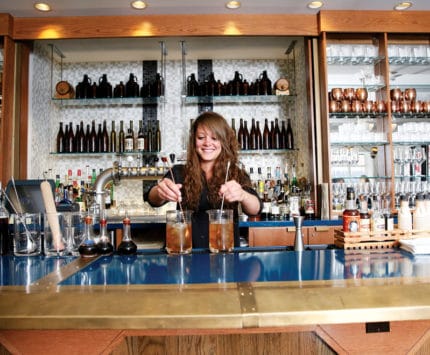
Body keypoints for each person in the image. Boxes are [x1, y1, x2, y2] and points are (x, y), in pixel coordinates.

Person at [145, 111, 262, 249]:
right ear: (194, 141)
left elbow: (255, 208)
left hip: (224, 252)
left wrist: (243, 195)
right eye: (201, 137)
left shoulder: (236, 173)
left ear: (224, 141)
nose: (207, 143)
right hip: (185, 253)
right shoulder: (179, 172)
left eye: (214, 138)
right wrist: (160, 191)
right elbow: (152, 199)